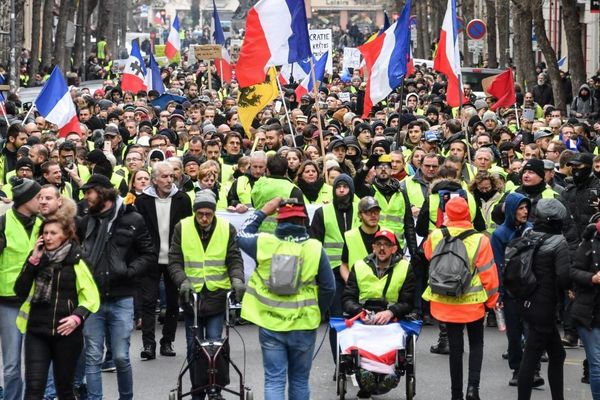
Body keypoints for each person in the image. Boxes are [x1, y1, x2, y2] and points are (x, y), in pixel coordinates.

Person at [237, 197, 335, 400]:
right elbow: (329, 287)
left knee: (274, 379)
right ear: (303, 221)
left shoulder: (263, 242)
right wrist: (318, 310)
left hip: (271, 323)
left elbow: (241, 234)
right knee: (299, 380)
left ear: (279, 221)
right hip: (304, 324)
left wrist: (263, 211)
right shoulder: (315, 247)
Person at [77, 174, 156, 400]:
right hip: (92, 299)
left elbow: (148, 253)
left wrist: (129, 272)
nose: (86, 197)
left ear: (103, 192)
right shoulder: (85, 220)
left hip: (122, 297)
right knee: (93, 355)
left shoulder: (133, 219)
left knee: (121, 357)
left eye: (89, 192)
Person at [14, 209, 100, 400]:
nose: (48, 237)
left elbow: (91, 297)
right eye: (45, 233)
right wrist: (33, 260)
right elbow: (20, 290)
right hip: (37, 331)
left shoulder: (77, 259)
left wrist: (77, 317)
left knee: (64, 389)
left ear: (65, 235)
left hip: (66, 333)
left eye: (53, 233)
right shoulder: (36, 258)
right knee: (34, 389)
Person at [167, 189, 244, 400]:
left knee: (214, 346)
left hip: (217, 296)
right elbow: (174, 261)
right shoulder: (182, 228)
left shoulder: (226, 229)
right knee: (194, 348)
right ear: (194, 212)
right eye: (200, 214)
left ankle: (216, 389)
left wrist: (237, 279)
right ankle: (197, 390)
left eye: (208, 214)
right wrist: (182, 280)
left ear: (213, 213)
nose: (203, 218)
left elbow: (234, 258)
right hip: (191, 297)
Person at [422, 196, 500, 400]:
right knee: (476, 344)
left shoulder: (437, 235)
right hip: (472, 302)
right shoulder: (480, 239)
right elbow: (489, 274)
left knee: (455, 349)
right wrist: (492, 302)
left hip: (444, 299)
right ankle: (473, 389)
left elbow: (429, 256)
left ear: (447, 213)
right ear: (469, 214)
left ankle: (455, 393)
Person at [342, 229, 415, 398]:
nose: (382, 249)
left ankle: (388, 375)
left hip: (392, 320)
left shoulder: (405, 268)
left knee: (392, 341)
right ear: (373, 247)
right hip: (364, 319)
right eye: (379, 245)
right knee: (358, 339)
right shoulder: (359, 266)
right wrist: (360, 311)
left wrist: (391, 312)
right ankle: (365, 375)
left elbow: (408, 302)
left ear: (394, 248)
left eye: (387, 245)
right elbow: (347, 298)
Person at [134, 161, 193, 360]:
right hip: (151, 258)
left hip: (174, 258)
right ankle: (148, 345)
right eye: (164, 177)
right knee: (149, 301)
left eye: (171, 176)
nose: (169, 180)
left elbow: (187, 229)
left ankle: (167, 341)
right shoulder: (142, 201)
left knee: (172, 302)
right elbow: (139, 231)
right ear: (154, 180)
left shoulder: (182, 199)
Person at [516, 198, 570, 400]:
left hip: (527, 300)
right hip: (545, 305)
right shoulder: (559, 242)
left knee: (557, 354)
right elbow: (563, 276)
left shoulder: (528, 234)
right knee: (531, 355)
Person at [490, 193, 544, 387]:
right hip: (511, 292)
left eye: (526, 208)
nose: (525, 211)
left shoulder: (531, 230)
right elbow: (497, 265)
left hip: (530, 290)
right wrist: (500, 294)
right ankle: (517, 369)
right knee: (514, 334)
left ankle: (533, 369)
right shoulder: (499, 234)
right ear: (512, 210)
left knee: (532, 332)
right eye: (520, 208)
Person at [310, 174, 360, 362]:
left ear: (351, 189)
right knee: (337, 320)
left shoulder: (361, 210)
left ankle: (358, 358)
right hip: (331, 273)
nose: (341, 190)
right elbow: (314, 244)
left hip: (358, 273)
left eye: (345, 187)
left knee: (359, 318)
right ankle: (340, 362)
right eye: (338, 186)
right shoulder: (323, 212)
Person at [0, 178, 42, 400]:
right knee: (12, 364)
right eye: (38, 197)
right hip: (9, 302)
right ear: (26, 200)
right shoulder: (3, 223)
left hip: (37, 300)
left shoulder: (42, 224)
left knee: (37, 363)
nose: (41, 201)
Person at [570, 213, 600, 399]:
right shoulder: (590, 241)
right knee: (597, 363)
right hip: (590, 313)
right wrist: (592, 278)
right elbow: (573, 271)